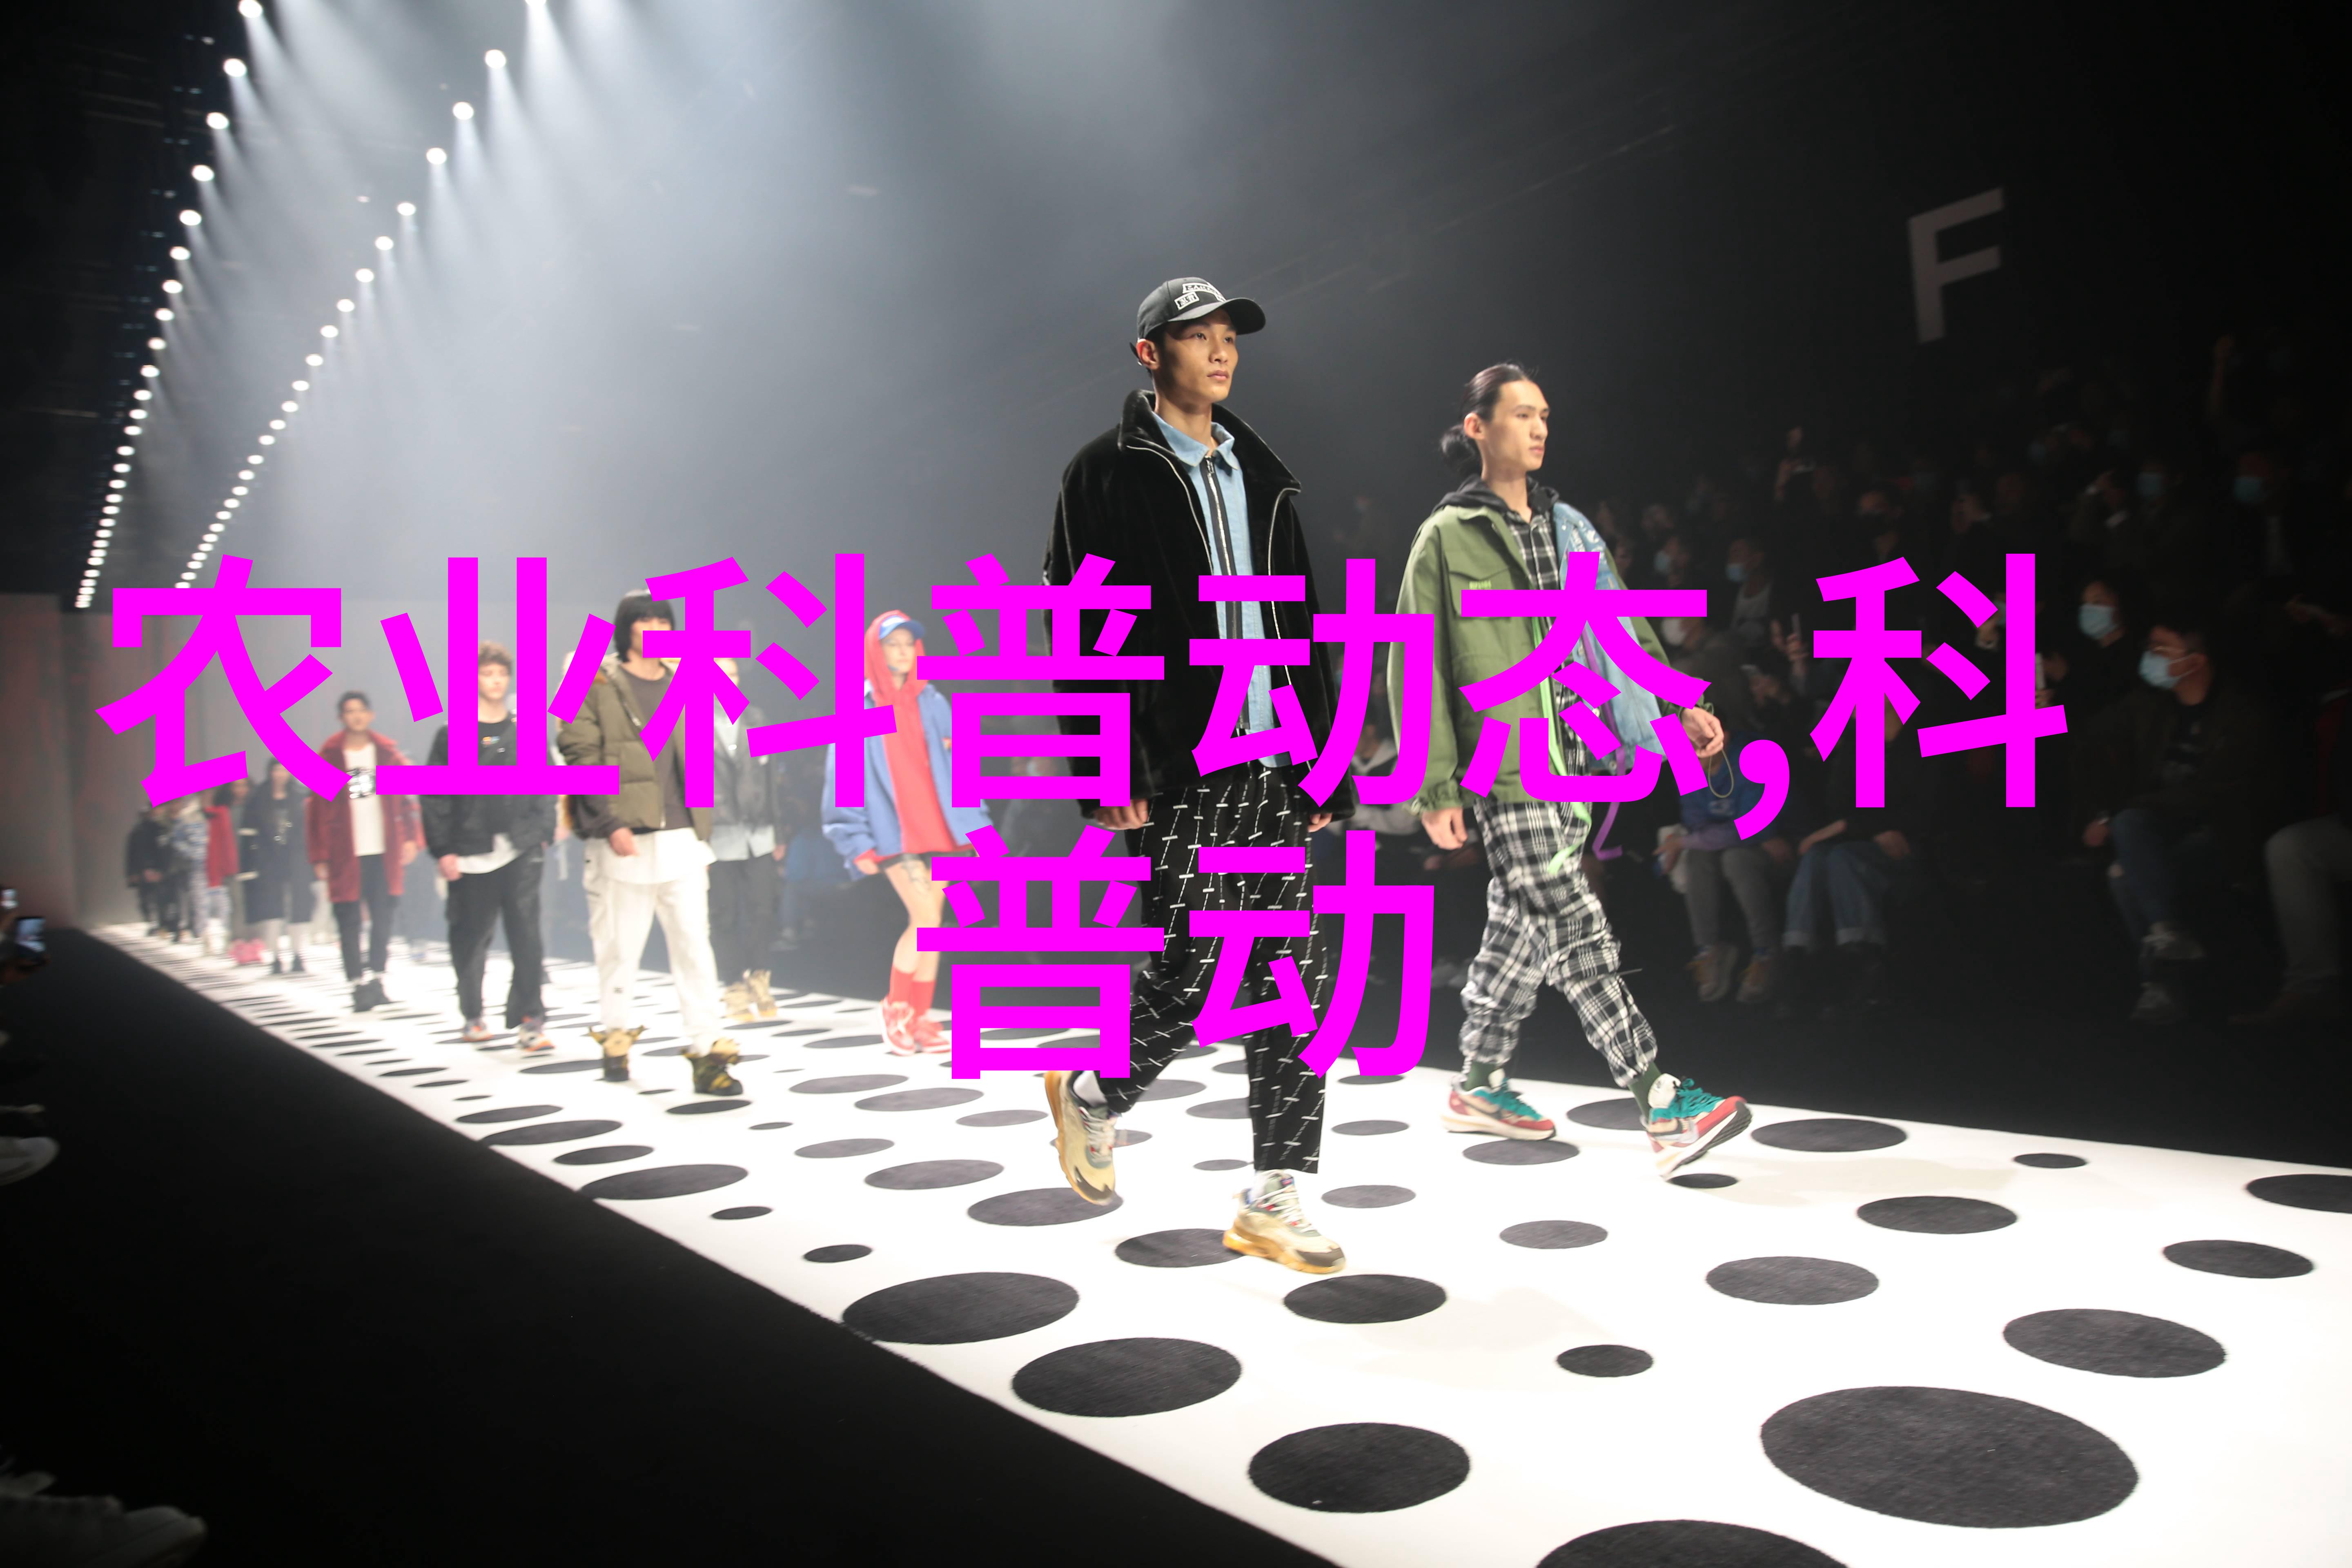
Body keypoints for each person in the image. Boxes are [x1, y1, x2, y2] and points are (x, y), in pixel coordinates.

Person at [1039, 276, 1354, 1274]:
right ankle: (1093, 1092)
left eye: (1229, 337)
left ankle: (1273, 1193)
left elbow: (1301, 619)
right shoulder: (1104, 472)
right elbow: (1081, 622)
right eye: (1197, 336)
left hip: (1276, 751)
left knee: (1294, 978)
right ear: (1150, 353)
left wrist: (1327, 757)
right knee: (1195, 964)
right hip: (1181, 755)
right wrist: (1106, 757)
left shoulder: (1260, 472)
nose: (1220, 352)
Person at [1393, 363, 1749, 1174]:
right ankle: (1659, 1097)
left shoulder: (1570, 527)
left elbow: (1622, 631)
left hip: (1575, 759)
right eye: (1521, 414)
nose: (1539, 428)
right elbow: (1416, 661)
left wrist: (1676, 707)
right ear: (1478, 427)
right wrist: (1434, 785)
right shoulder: (1444, 537)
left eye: (1545, 415)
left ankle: (1477, 1084)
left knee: (1521, 924)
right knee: (1571, 918)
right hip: (1503, 760)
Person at [557, 592, 741, 1094]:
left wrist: (703, 834)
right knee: (619, 950)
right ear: (626, 627)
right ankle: (616, 1039)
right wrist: (609, 821)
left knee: (695, 949)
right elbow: (579, 750)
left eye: (664, 620)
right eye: (645, 620)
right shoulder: (592, 677)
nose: (656, 628)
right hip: (623, 836)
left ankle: (708, 1054)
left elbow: (702, 753)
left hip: (682, 837)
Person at [2072, 614, 2279, 1024]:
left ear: (2195, 660)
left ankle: (2162, 984)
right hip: (2158, 828)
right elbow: (2093, 732)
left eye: (2160, 650)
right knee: (2129, 836)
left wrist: (2125, 812)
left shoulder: (2243, 716)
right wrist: (2047, 706)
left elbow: (2214, 795)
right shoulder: (2150, 705)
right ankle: (2168, 939)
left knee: (2125, 869)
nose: (2150, 657)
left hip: (2222, 832)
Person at [822, 613, 990, 1055]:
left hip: (942, 827)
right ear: (874, 651)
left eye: (908, 643)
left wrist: (977, 825)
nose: (902, 651)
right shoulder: (858, 707)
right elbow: (843, 778)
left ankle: (919, 1016)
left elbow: (963, 766)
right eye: (891, 643)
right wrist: (854, 840)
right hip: (892, 831)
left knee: (935, 925)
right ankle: (896, 1008)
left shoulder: (933, 701)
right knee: (926, 919)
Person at [421, 644, 558, 1051]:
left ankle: (531, 1018)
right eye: (487, 673)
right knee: (470, 936)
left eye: (501, 673)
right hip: (470, 850)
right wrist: (443, 849)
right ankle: (473, 1014)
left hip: (521, 847)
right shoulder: (451, 735)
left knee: (527, 936)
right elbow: (436, 796)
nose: (495, 681)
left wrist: (543, 830)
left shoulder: (527, 730)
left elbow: (547, 782)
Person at [306, 692, 423, 1012]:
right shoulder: (330, 755)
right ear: (341, 717)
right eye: (350, 711)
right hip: (345, 850)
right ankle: (356, 983)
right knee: (349, 919)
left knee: (383, 916)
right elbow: (316, 811)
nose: (357, 716)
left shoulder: (386, 753)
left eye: (361, 710)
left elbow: (407, 800)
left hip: (383, 848)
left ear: (371, 715)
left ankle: (377, 978)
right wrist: (319, 855)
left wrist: (411, 838)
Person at [708, 653, 788, 1027]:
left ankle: (759, 976)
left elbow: (772, 782)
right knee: (723, 914)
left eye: (734, 675)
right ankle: (733, 986)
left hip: (759, 831)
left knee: (763, 908)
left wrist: (780, 830)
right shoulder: (690, 724)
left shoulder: (755, 718)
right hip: (716, 833)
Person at [241, 760, 314, 973]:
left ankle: (298, 955)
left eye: (285, 770)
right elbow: (248, 835)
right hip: (268, 860)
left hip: (297, 858)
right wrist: (248, 866)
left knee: (299, 907)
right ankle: (275, 957)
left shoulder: (300, 797)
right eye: (277, 770)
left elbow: (310, 831)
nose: (281, 774)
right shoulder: (258, 798)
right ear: (270, 772)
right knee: (272, 908)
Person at [125, 807, 174, 936]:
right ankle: (154, 923)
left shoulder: (161, 830)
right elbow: (132, 853)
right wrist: (133, 873)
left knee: (159, 898)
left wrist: (162, 870)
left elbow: (164, 852)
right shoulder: (138, 832)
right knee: (147, 899)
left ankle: (160, 924)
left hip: (156, 870)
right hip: (144, 870)